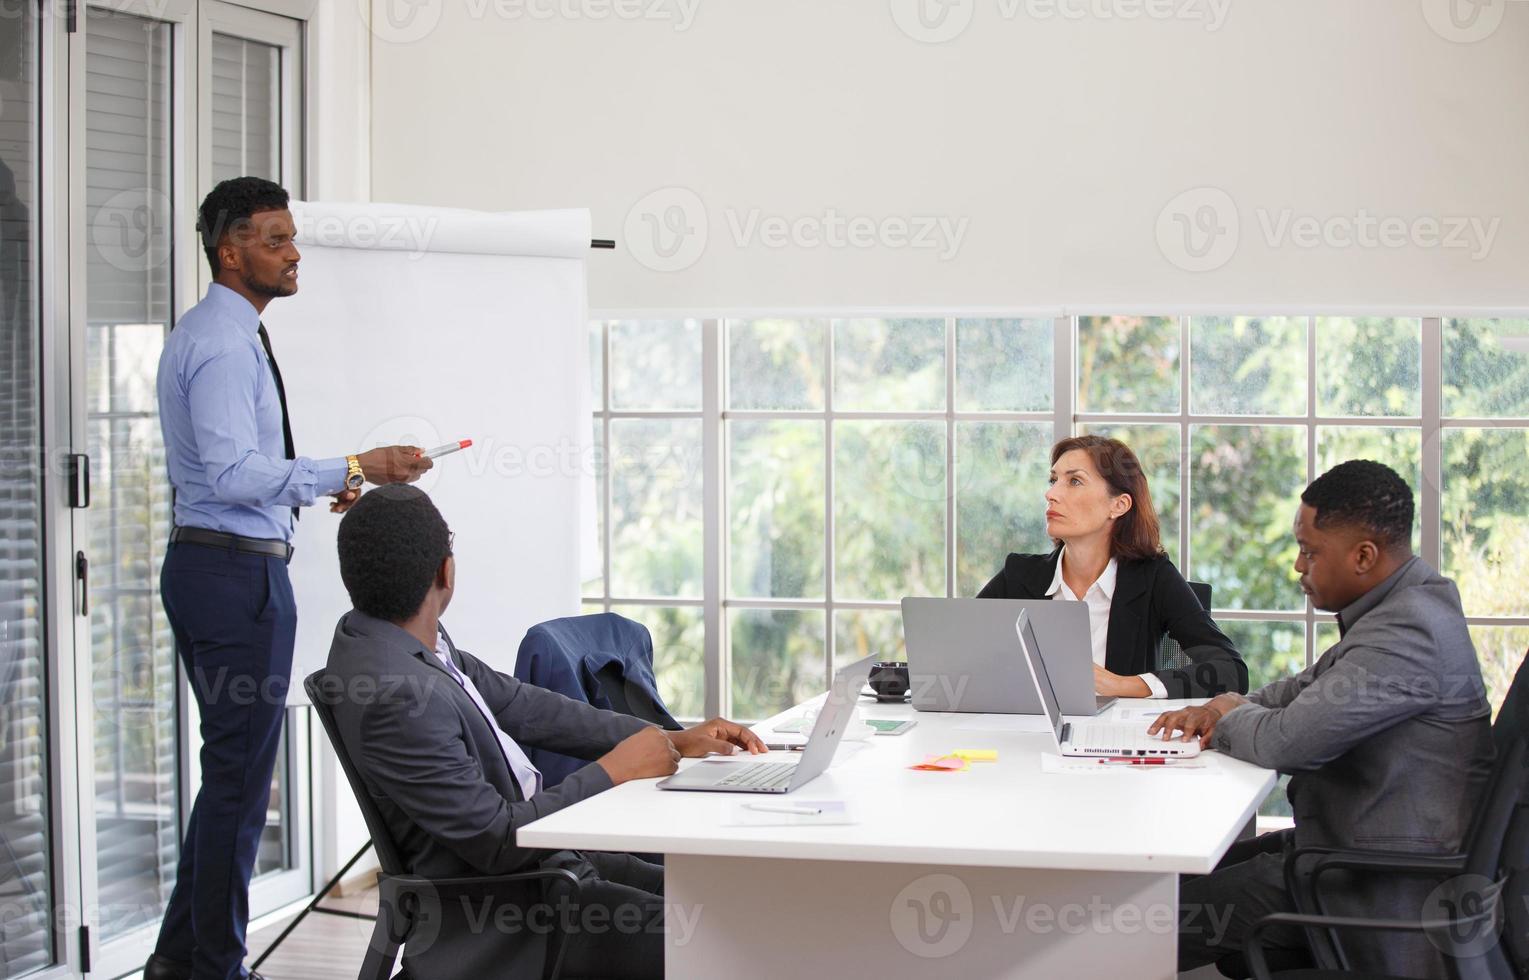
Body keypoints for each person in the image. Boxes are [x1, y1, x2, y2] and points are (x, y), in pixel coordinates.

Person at [147, 177, 431, 980]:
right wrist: (351, 465)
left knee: (232, 776)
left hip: (227, 567)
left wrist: (323, 481)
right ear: (229, 252)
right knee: (240, 781)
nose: (293, 251)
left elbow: (241, 469)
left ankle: (180, 960)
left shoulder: (225, 336)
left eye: (291, 236)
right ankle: (215, 967)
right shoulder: (224, 344)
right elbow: (235, 474)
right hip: (230, 577)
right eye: (274, 239)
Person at [323, 485, 767, 980]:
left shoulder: (394, 638)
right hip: (512, 916)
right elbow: (494, 838)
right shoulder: (396, 693)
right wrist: (614, 771)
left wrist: (671, 738)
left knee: (725, 898)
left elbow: (520, 705)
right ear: (445, 571)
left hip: (550, 870)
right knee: (726, 937)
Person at [1155, 460, 1494, 977]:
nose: (1298, 566)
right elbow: (1303, 690)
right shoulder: (1402, 608)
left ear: (1363, 556)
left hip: (1370, 882)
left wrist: (1223, 718)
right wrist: (1226, 703)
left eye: (1310, 552)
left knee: (1140, 922)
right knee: (1168, 879)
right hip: (1342, 852)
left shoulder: (1408, 632)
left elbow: (1285, 744)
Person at [977, 435, 1247, 699]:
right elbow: (960, 656)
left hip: (1116, 738)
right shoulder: (1019, 575)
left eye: (1074, 481)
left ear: (1119, 505)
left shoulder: (1152, 578)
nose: (1051, 493)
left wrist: (1125, 685)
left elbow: (1231, 671)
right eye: (1053, 480)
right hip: (1028, 735)